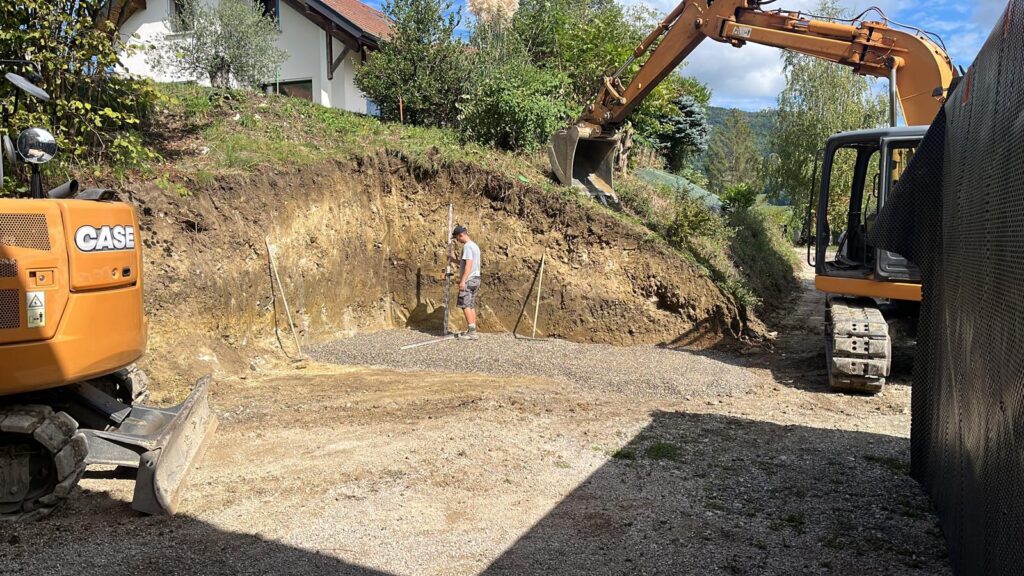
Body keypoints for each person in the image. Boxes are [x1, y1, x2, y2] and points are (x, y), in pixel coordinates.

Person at [450, 225, 481, 339]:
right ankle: (472, 330)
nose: (457, 240)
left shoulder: (467, 246)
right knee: (470, 305)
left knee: (465, 305)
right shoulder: (475, 246)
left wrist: (463, 280)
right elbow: (467, 263)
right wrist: (453, 260)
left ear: (461, 235)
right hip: (476, 279)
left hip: (469, 279)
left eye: (457, 238)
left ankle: (471, 333)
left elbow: (468, 264)